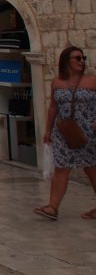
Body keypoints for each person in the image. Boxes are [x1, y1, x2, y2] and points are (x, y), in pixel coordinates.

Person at [35, 46, 96, 220]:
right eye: (77, 58)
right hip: (64, 131)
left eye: (83, 58)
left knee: (92, 169)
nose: (81, 61)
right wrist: (47, 129)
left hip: (88, 132)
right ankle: (52, 207)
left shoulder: (92, 80)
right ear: (66, 61)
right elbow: (53, 107)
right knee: (61, 168)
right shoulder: (57, 82)